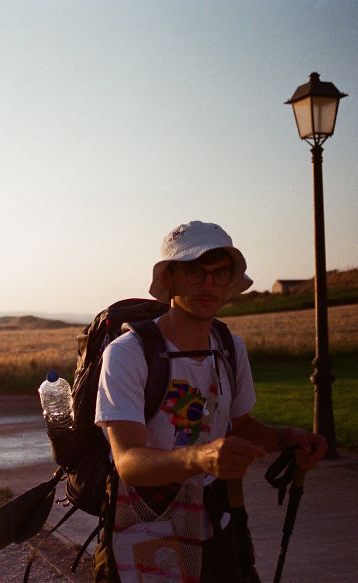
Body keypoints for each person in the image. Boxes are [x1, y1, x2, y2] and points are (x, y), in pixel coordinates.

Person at [94, 220, 327, 583]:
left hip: (219, 519)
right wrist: (201, 457)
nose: (208, 284)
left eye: (220, 274)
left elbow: (241, 426)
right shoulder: (129, 353)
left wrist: (288, 438)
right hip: (145, 523)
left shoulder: (229, 347)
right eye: (194, 272)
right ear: (169, 279)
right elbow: (127, 462)